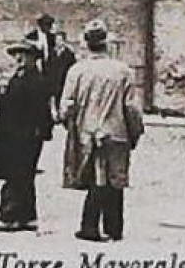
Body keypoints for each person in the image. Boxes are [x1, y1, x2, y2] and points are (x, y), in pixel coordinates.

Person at [59, 19, 143, 242]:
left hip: (86, 132)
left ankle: (90, 225)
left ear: (86, 43)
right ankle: (114, 227)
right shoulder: (123, 71)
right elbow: (131, 108)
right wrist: (135, 133)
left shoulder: (77, 71)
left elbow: (66, 106)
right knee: (116, 180)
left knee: (95, 178)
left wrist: (70, 126)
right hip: (117, 131)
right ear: (107, 42)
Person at [0, 35, 54, 231]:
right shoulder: (24, 77)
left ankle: (10, 216)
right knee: (25, 175)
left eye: (23, 55)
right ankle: (27, 215)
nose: (18, 58)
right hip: (24, 135)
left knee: (15, 174)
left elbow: (19, 107)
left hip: (20, 135)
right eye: (17, 54)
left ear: (33, 58)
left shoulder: (32, 80)